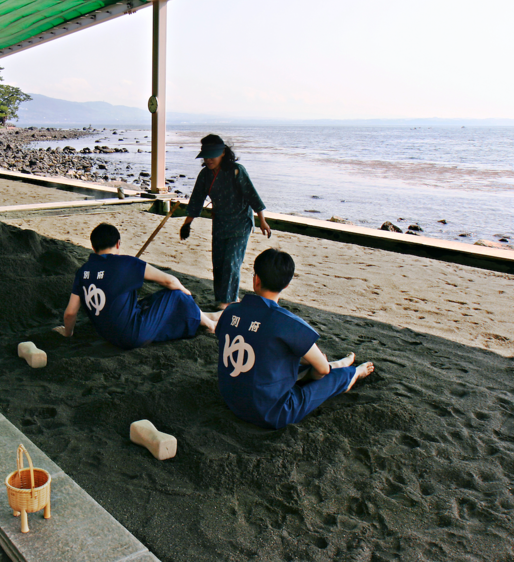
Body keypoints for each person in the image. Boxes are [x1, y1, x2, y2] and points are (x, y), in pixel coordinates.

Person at [216, 248, 374, 429]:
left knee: (283, 360)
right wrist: (317, 370)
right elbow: (322, 371)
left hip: (232, 399)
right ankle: (353, 373)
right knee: (327, 376)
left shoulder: (231, 311)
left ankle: (338, 365)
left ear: (256, 279)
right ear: (286, 285)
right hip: (271, 412)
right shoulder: (287, 322)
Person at [56, 223, 222, 350]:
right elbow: (169, 281)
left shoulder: (83, 270)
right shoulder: (125, 263)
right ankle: (211, 325)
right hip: (132, 335)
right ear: (118, 244)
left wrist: (68, 333)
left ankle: (206, 315)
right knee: (177, 295)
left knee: (152, 300)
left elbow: (70, 313)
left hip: (109, 335)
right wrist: (186, 295)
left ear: (93, 247)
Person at [181, 134, 272, 309]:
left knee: (232, 263)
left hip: (240, 224)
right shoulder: (205, 175)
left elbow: (252, 195)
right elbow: (196, 200)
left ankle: (227, 301)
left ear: (223, 153)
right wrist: (187, 223)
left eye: (212, 156)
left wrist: (262, 220)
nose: (208, 160)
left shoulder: (237, 170)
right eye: (205, 156)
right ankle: (221, 298)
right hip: (220, 223)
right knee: (219, 263)